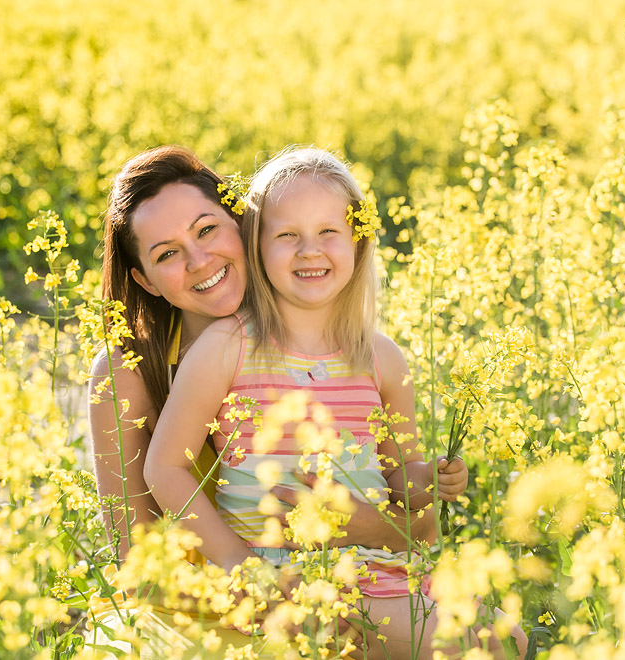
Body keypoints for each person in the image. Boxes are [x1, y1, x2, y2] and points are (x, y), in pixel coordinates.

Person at [143, 147, 526, 660]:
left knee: (509, 638)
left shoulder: (381, 359)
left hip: (384, 568)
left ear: (358, 242)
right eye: (287, 236)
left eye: (329, 232)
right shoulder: (227, 347)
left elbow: (399, 478)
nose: (309, 251)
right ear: (256, 247)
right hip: (291, 575)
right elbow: (164, 467)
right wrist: (239, 566)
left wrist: (429, 477)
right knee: (482, 645)